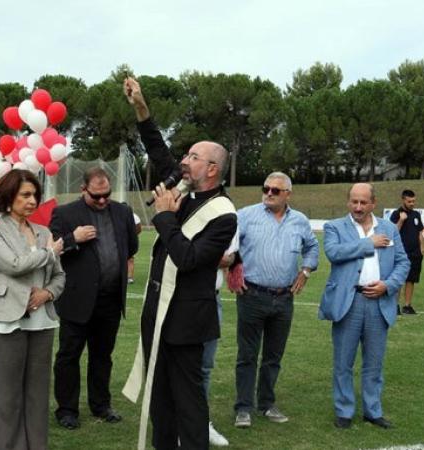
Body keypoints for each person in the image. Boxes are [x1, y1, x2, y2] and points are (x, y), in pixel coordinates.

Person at [123, 77, 237, 450]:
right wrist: (141, 106)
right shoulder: (184, 192)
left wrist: (165, 217)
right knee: (160, 404)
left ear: (212, 170)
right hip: (158, 316)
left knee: (189, 405)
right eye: (186, 155)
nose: (183, 162)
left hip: (188, 324)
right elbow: (157, 149)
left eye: (192, 157)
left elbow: (188, 259)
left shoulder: (224, 214)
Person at [0, 169, 65, 450]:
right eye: (25, 195)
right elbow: (13, 265)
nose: (32, 201)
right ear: (8, 197)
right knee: (7, 399)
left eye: (35, 196)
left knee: (37, 397)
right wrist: (50, 252)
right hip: (6, 321)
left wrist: (46, 293)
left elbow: (59, 276)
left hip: (42, 322)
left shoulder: (44, 233)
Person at [50, 167, 139, 429]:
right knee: (69, 356)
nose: (102, 200)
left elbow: (131, 246)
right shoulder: (65, 213)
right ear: (83, 190)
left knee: (102, 355)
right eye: (96, 196)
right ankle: (67, 410)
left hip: (110, 299)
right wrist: (72, 239)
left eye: (106, 195)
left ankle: (101, 405)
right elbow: (51, 249)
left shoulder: (121, 212)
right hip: (77, 298)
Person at [230, 172, 319, 429]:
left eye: (275, 190)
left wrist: (306, 270)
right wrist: (233, 270)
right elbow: (228, 244)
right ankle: (243, 408)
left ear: (287, 194)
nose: (269, 193)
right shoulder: (246, 215)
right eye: (266, 188)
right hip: (252, 295)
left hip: (284, 298)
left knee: (273, 356)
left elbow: (312, 248)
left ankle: (266, 403)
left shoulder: (300, 221)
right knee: (247, 354)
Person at [319, 183, 409, 430]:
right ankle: (344, 411)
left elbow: (403, 262)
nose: (358, 207)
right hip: (349, 302)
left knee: (374, 363)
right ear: (348, 202)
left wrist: (388, 285)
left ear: (373, 203)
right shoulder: (334, 226)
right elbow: (333, 253)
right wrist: (369, 243)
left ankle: (373, 411)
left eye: (363, 202)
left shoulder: (389, 228)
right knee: (343, 362)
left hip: (379, 302)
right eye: (353, 202)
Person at [203, 237, 238, 447]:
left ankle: (201, 422)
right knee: (182, 366)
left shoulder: (223, 211)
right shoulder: (182, 209)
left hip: (211, 298)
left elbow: (229, 257)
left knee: (205, 367)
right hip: (183, 298)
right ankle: (179, 423)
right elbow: (183, 255)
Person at [389, 190, 424, 315]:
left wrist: (422, 247)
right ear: (403, 200)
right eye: (409, 201)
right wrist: (401, 220)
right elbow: (393, 232)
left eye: (414, 201)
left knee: (411, 279)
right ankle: (395, 305)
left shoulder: (416, 214)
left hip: (415, 253)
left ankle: (407, 305)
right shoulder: (396, 214)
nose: (412, 203)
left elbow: (420, 231)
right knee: (399, 279)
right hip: (401, 252)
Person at [127, 213, 142, 284]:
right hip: (124, 239)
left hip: (128, 240)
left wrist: (132, 235)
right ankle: (129, 277)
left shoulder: (133, 216)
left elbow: (139, 228)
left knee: (130, 258)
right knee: (130, 259)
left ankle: (129, 277)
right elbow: (139, 229)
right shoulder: (134, 215)